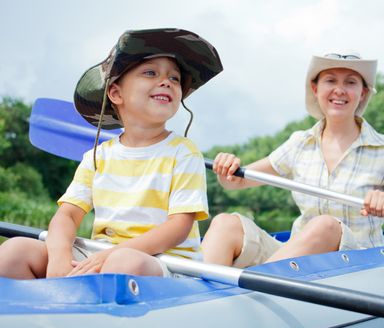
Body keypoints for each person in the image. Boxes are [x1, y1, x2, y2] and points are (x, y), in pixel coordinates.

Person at [0, 28, 223, 279]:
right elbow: (67, 215)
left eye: (175, 78)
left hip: (165, 264)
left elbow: (178, 227)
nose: (166, 82)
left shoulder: (183, 152)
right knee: (13, 252)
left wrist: (110, 256)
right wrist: (59, 258)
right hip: (101, 254)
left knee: (123, 262)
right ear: (116, 93)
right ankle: (44, 313)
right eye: (150, 72)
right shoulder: (97, 156)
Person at [202, 52, 384, 267]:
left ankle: (249, 290)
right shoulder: (300, 143)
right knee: (225, 222)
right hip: (298, 258)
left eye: (350, 82)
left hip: (357, 261)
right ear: (316, 89)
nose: (339, 90)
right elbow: (237, 182)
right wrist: (227, 168)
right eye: (330, 80)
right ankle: (208, 298)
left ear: (363, 93)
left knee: (326, 225)